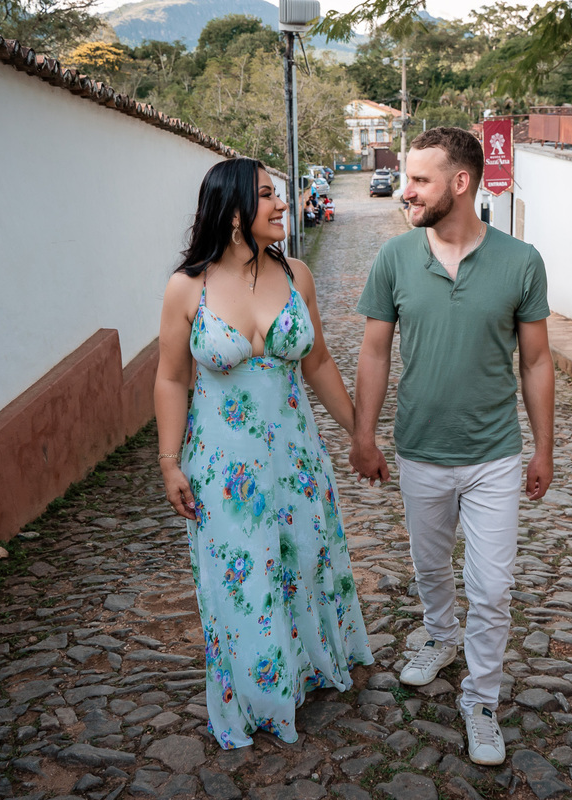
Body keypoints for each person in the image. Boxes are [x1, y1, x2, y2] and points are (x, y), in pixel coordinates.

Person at [350, 127, 556, 766]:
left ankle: (482, 698)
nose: (405, 191)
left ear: (460, 183)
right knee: (431, 566)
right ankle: (440, 635)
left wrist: (543, 448)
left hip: (494, 453)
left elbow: (538, 360)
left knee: (492, 587)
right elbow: (375, 350)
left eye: (419, 180)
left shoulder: (521, 262)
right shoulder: (394, 258)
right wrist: (363, 433)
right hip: (419, 449)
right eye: (406, 178)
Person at [155, 158, 373, 749]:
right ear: (232, 213)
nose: (284, 205)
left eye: (280, 195)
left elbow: (319, 362)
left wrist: (360, 433)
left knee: (303, 560)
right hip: (224, 468)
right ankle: (259, 694)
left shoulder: (296, 274)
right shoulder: (187, 287)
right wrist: (170, 462)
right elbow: (172, 378)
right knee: (244, 576)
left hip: (295, 458)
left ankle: (304, 664)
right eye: (270, 197)